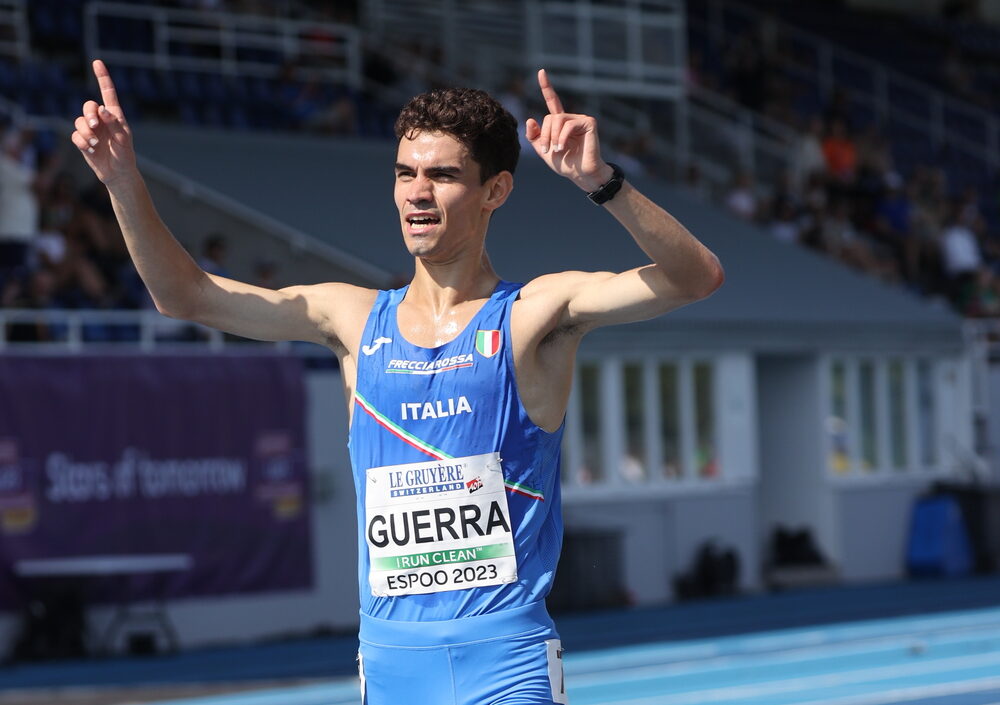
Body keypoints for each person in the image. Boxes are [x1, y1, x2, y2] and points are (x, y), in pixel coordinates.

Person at [71, 59, 723, 705]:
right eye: (406, 173)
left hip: (505, 662)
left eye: (442, 175)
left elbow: (695, 279)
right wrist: (123, 181)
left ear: (495, 191)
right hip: (391, 666)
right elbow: (185, 295)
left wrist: (601, 182)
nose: (417, 192)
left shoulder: (532, 317)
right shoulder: (351, 319)